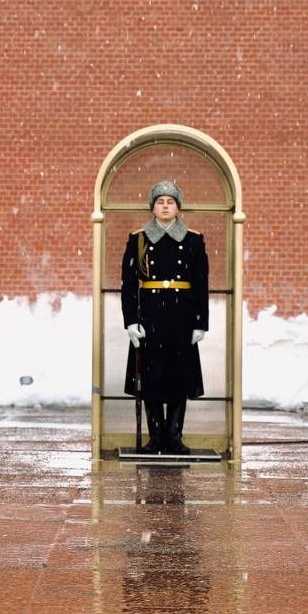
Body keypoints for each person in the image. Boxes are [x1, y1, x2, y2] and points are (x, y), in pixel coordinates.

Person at [121, 180, 208, 455]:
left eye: (171, 202)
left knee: (179, 378)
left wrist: (200, 323)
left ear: (178, 208)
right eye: (160, 202)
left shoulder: (193, 240)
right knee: (151, 378)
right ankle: (156, 437)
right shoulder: (138, 239)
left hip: (182, 315)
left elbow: (201, 284)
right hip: (150, 314)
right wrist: (130, 321)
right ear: (153, 208)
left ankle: (174, 436)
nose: (166, 206)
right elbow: (128, 284)